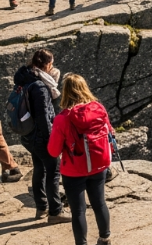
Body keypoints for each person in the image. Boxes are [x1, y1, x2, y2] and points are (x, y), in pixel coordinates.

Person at [47, 74, 114, 245]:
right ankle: (105, 238)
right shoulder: (99, 109)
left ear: (65, 92)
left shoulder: (62, 119)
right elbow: (110, 134)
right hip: (99, 165)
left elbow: (53, 151)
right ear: (85, 88)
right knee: (99, 203)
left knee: (78, 210)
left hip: (73, 170)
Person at [13, 49, 71, 224]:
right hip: (40, 136)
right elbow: (43, 117)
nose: (52, 67)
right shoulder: (40, 86)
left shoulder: (25, 78)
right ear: (46, 64)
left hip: (28, 135)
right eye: (51, 63)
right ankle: (55, 212)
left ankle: (41, 208)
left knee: (39, 168)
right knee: (53, 170)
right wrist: (50, 140)